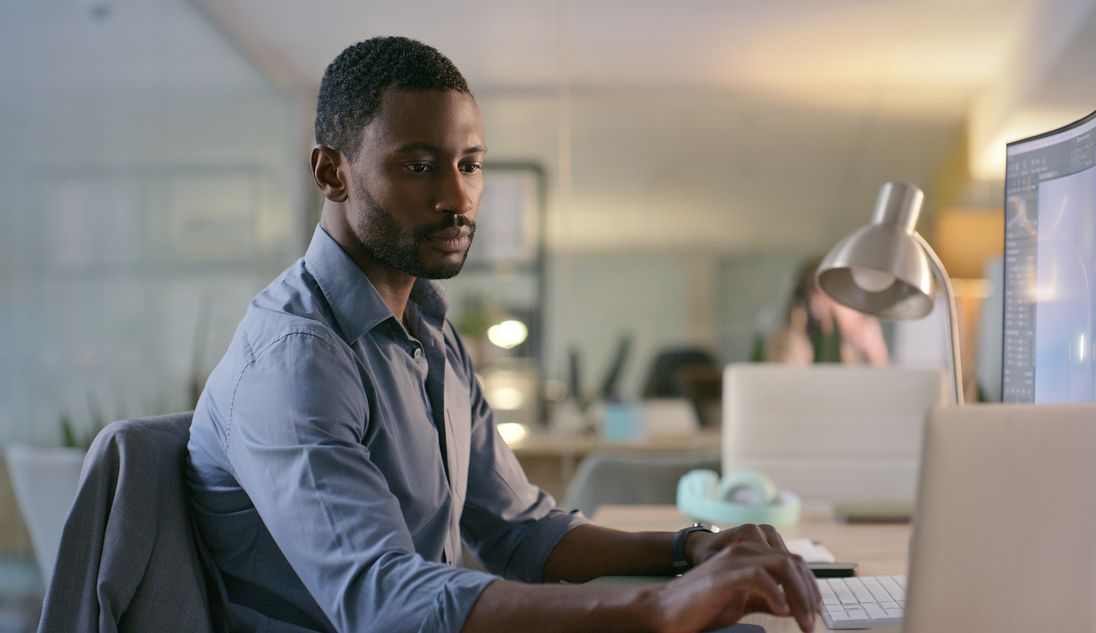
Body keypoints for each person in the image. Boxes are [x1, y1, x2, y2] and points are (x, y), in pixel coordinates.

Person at [187, 36, 819, 633]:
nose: (457, 197)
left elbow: (523, 532)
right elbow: (382, 601)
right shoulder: (297, 359)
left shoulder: (429, 334)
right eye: (418, 166)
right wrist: (655, 609)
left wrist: (692, 549)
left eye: (470, 165)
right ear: (332, 173)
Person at [768, 259, 889, 367]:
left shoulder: (865, 339)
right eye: (812, 293)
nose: (818, 305)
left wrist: (876, 356)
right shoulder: (790, 344)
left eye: (833, 294)